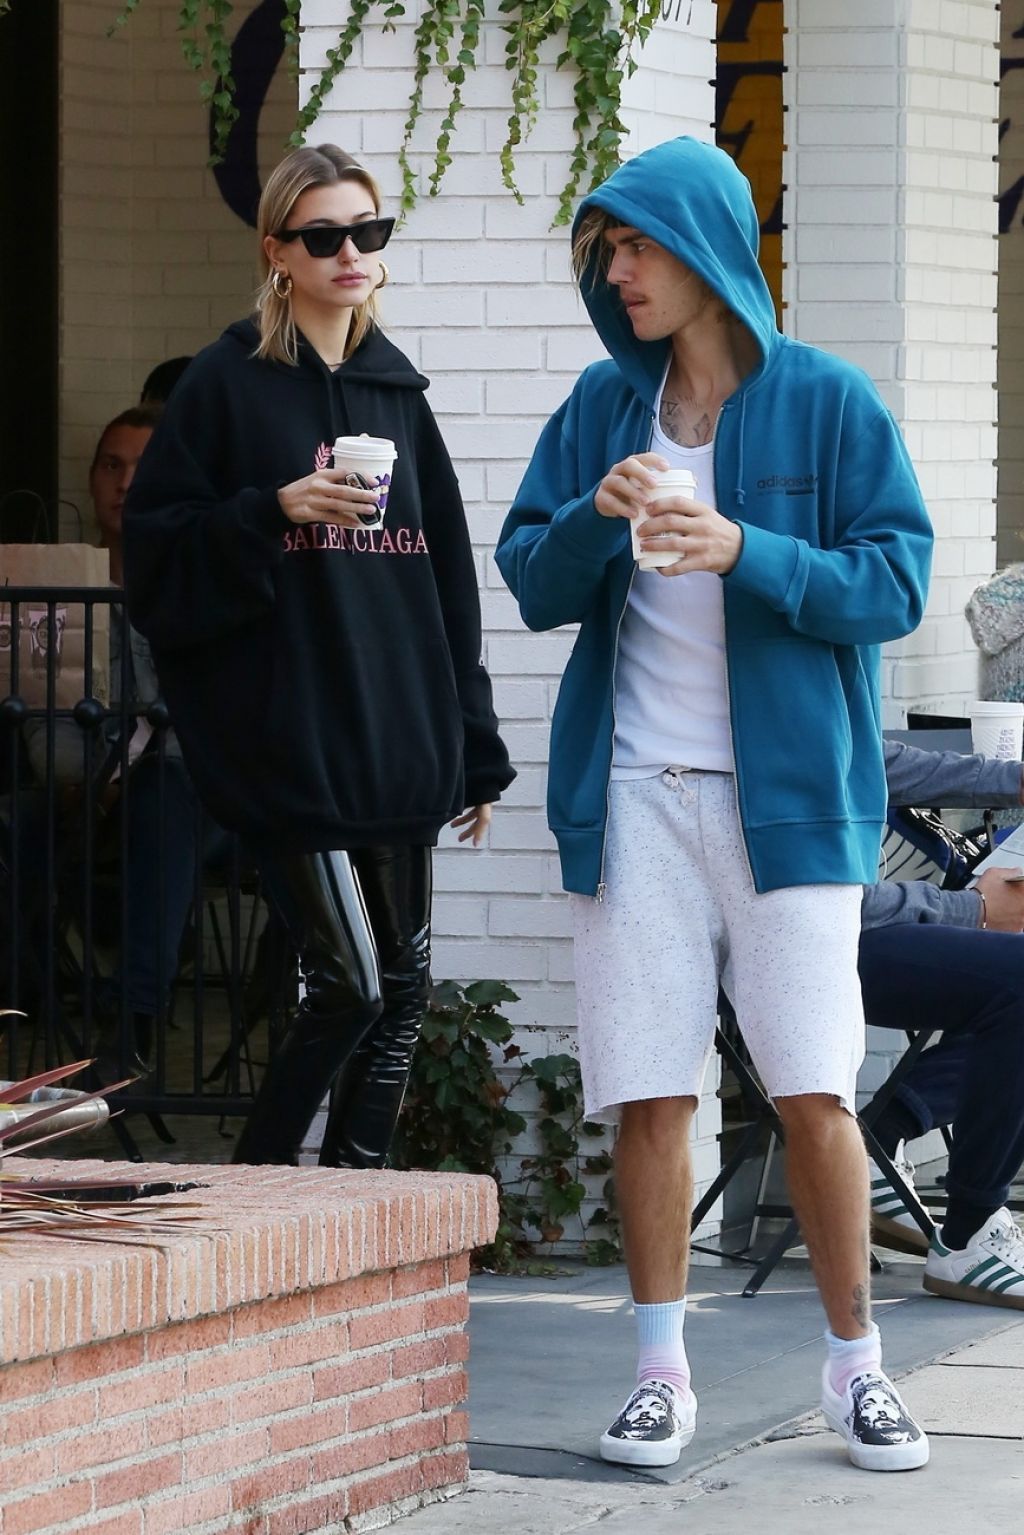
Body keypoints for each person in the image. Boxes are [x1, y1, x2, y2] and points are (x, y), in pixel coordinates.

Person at [496, 137, 933, 1473]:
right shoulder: (596, 410)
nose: (617, 273)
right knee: (646, 1094)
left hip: (789, 807)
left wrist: (749, 549)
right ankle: (657, 1372)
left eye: (636, 246)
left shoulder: (827, 401)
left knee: (814, 1088)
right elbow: (531, 574)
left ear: (703, 248)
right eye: (608, 252)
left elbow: (897, 581)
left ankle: (859, 1368)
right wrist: (592, 514)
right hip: (631, 797)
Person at [123, 143, 514, 1170]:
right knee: (348, 982)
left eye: (368, 233)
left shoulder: (398, 394)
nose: (350, 253)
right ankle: (253, 1190)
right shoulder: (224, 385)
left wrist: (472, 743)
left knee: (404, 991)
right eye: (324, 235)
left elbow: (448, 583)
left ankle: (352, 1205)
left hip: (399, 731)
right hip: (289, 732)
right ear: (276, 251)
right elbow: (157, 550)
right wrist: (272, 509)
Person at [13, 405, 228, 1079]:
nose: (125, 482)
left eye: (144, 467)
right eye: (112, 465)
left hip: (178, 799)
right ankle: (30, 1003)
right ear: (91, 474)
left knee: (165, 796)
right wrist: (83, 778)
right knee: (15, 823)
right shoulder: (53, 584)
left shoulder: (199, 581)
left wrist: (113, 777)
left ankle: (129, 1028)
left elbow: (207, 723)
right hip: (70, 785)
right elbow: (33, 708)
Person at [861, 736, 1024, 1310]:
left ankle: (880, 1136)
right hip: (806, 948)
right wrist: (973, 908)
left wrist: (1016, 780)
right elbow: (819, 898)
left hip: (865, 929)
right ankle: (970, 1235)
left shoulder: (821, 692)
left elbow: (890, 766)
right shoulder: (764, 725)